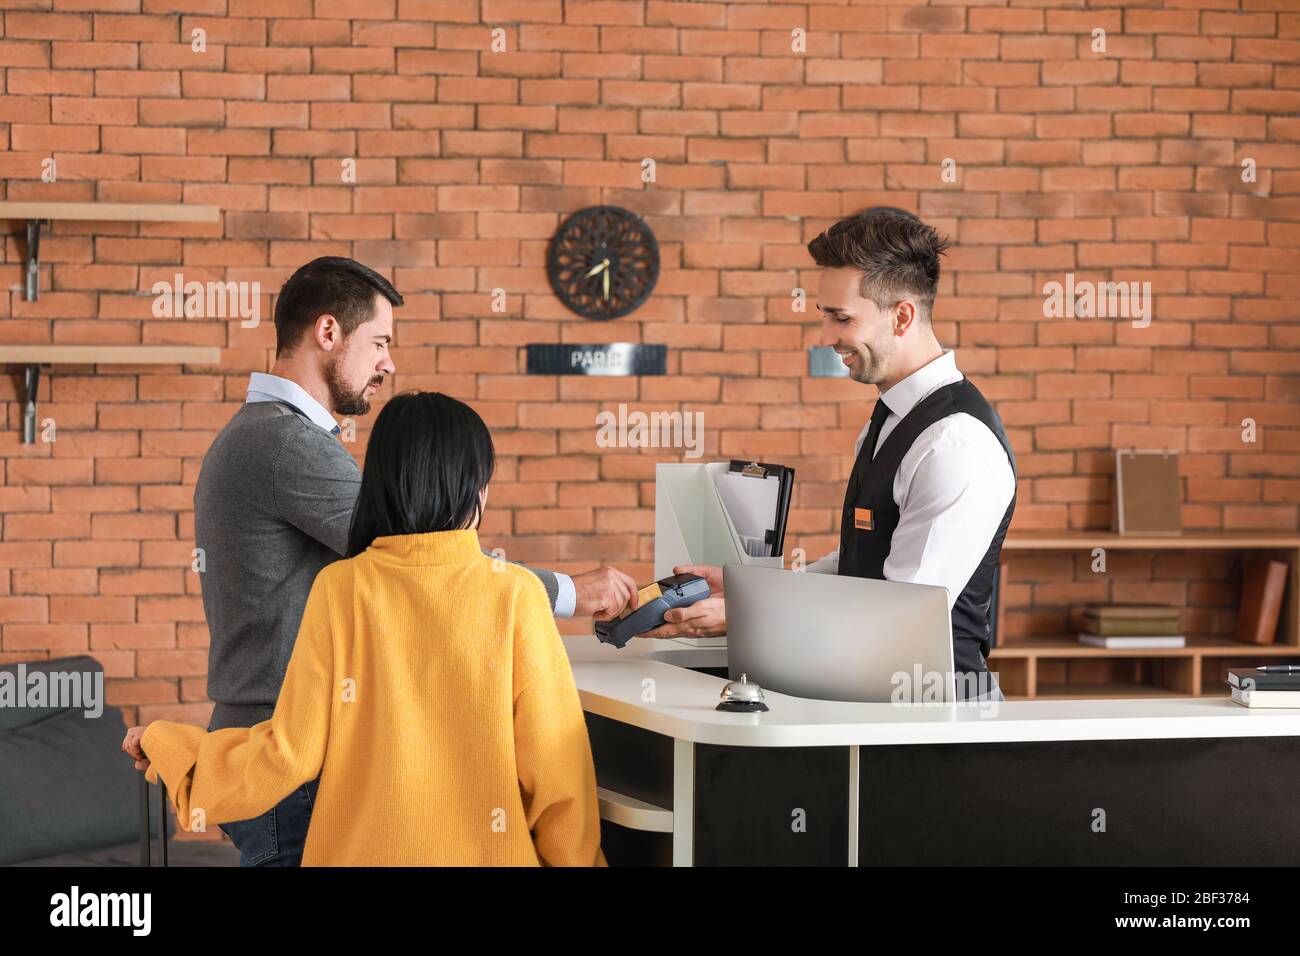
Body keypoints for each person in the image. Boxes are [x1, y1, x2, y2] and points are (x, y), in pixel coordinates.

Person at [193, 256, 634, 865]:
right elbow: (424, 553)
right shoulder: (282, 442)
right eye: (379, 342)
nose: (389, 363)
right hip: (283, 762)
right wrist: (564, 593)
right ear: (328, 333)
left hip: (275, 751)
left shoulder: (266, 435)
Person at [123, 392, 606, 866]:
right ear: (475, 486)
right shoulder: (516, 594)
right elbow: (557, 775)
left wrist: (177, 753)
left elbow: (289, 754)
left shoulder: (340, 588)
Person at [643, 209, 1016, 701]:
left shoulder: (953, 444)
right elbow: (864, 564)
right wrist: (748, 589)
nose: (825, 337)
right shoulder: (889, 419)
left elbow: (899, 612)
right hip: (876, 703)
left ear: (902, 315)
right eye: (825, 315)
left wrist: (749, 615)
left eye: (841, 318)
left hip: (936, 722)